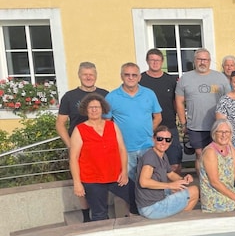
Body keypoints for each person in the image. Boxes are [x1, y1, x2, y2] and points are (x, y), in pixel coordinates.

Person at [69, 93, 137, 221]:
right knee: (99, 214)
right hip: (92, 179)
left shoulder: (112, 125)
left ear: (102, 109)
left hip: (115, 175)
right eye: (91, 107)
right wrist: (77, 183)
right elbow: (73, 159)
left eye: (97, 107)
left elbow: (122, 149)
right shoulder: (79, 130)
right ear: (86, 110)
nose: (94, 110)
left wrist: (124, 172)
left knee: (136, 196)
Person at [56, 62, 109, 222]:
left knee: (102, 180)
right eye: (85, 74)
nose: (88, 77)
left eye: (91, 74)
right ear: (79, 75)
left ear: (96, 75)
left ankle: (101, 211)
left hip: (100, 147)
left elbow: (111, 119)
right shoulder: (69, 96)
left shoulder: (105, 94)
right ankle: (86, 215)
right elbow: (60, 123)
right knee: (82, 182)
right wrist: (70, 145)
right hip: (80, 148)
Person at [105, 62, 162, 184]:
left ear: (139, 77)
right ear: (121, 76)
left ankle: (149, 203)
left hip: (147, 146)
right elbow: (106, 123)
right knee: (128, 183)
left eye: (134, 75)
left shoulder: (149, 94)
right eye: (127, 75)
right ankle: (132, 204)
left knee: (150, 180)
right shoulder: (112, 97)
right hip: (124, 148)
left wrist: (149, 132)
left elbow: (158, 117)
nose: (131, 78)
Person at [175, 48, 231, 171]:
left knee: (219, 154)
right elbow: (179, 101)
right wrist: (184, 123)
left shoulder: (220, 78)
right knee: (200, 155)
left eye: (205, 60)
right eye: (199, 59)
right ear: (194, 61)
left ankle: (218, 185)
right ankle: (203, 185)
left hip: (217, 126)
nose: (202, 62)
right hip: (196, 126)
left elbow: (229, 100)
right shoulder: (185, 78)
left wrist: (228, 124)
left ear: (210, 61)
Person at [135, 126, 199, 219]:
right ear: (153, 139)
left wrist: (183, 179)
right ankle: (179, 222)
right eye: (160, 139)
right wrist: (170, 185)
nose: (163, 143)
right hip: (151, 207)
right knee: (194, 191)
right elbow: (144, 182)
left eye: (167, 140)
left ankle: (177, 220)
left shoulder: (162, 155)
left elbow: (170, 174)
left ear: (171, 142)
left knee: (181, 189)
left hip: (157, 198)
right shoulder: (150, 157)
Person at [199, 119, 235, 213]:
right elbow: (214, 182)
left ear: (231, 134)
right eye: (220, 132)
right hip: (214, 193)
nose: (224, 135)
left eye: (227, 132)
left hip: (229, 190)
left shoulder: (230, 149)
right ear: (214, 133)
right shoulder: (210, 152)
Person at [139, 49, 182, 174]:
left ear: (162, 61)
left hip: (170, 126)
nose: (155, 63)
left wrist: (182, 122)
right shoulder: (141, 80)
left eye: (157, 60)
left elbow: (176, 102)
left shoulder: (170, 80)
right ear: (147, 61)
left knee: (175, 164)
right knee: (150, 164)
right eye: (152, 60)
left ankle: (175, 190)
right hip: (149, 128)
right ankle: (158, 192)